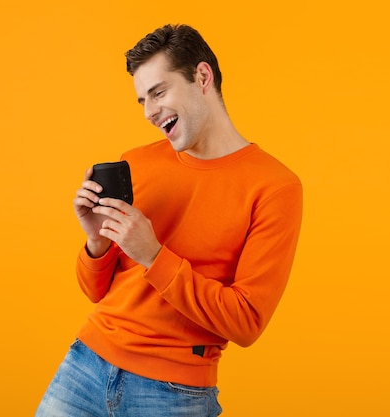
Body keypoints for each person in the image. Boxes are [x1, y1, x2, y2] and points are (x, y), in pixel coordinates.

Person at [35, 24, 302, 417]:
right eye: (142, 100)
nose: (149, 112)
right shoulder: (137, 161)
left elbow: (246, 322)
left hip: (175, 393)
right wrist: (97, 242)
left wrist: (153, 255)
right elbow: (96, 292)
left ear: (202, 77)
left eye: (159, 92)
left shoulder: (276, 187)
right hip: (86, 365)